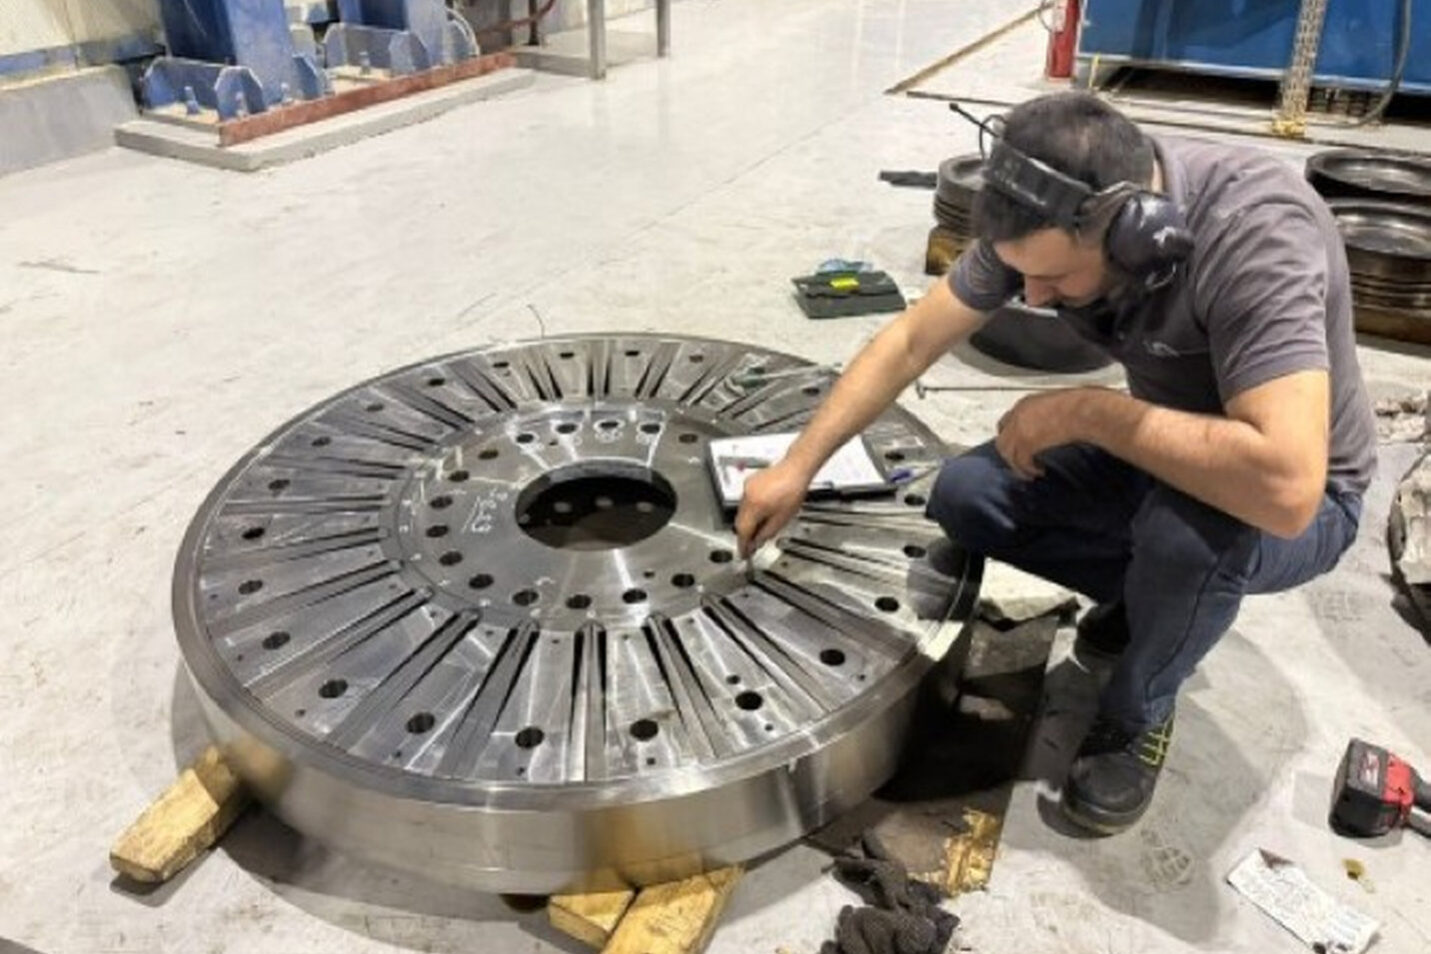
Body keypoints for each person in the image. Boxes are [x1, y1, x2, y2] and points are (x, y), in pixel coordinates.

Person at [734, 91, 1375, 835]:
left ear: (1141, 237)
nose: (1032, 297)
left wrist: (1087, 413)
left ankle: (1138, 710)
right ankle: (1148, 604)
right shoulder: (1046, 207)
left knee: (1185, 538)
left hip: (1303, 498)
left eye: (1058, 281)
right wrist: (798, 466)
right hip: (1167, 456)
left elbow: (1286, 489)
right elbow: (910, 342)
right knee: (968, 494)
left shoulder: (1255, 237)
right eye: (1021, 276)